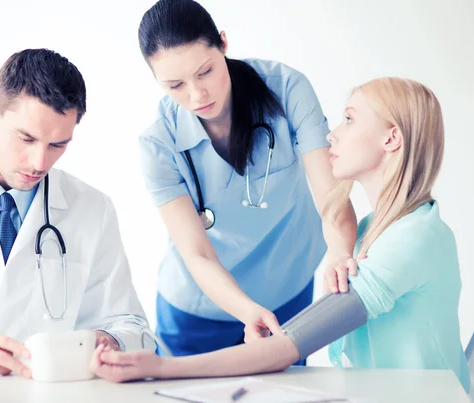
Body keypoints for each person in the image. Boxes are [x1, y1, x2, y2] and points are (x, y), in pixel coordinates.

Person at [90, 77, 471, 392]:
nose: (333, 135)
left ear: (391, 139)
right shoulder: (375, 230)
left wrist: (160, 366)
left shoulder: (414, 238)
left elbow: (290, 346)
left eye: (350, 119)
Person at [0, 49, 154, 378]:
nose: (40, 162)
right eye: (26, 138)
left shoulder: (94, 209)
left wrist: (110, 340)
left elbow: (133, 327)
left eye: (58, 145)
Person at [136, 0, 358, 357]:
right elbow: (197, 255)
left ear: (223, 43)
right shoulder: (159, 144)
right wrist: (245, 310)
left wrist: (339, 252)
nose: (197, 95)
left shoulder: (286, 89)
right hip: (199, 309)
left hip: (288, 288)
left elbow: (331, 198)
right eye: (175, 85)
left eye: (205, 71)